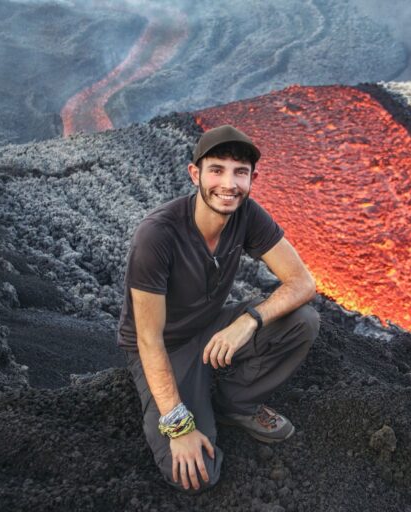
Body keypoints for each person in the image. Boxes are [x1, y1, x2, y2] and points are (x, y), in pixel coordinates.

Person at [117, 124, 320, 493]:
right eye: (217, 169)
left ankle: (235, 404)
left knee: (302, 321)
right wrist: (178, 426)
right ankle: (190, 404)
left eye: (240, 172)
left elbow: (303, 283)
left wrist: (248, 320)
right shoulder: (157, 236)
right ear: (195, 174)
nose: (228, 184)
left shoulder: (247, 215)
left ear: (252, 179)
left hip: (212, 328)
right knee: (196, 475)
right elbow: (148, 340)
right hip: (167, 346)